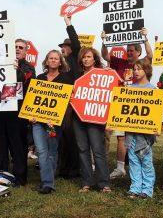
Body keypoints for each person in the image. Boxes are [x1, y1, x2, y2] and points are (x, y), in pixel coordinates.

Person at [101, 28, 153, 180]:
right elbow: (105, 55)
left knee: (139, 138)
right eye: (128, 50)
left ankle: (141, 168)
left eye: (131, 51)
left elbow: (150, 55)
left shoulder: (141, 64)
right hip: (121, 104)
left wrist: (145, 37)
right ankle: (120, 168)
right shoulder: (119, 62)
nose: (129, 53)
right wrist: (104, 41)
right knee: (121, 137)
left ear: (138, 52)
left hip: (137, 104)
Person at [0, 39, 36, 185]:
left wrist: (16, 69)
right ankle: (1, 176)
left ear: (25, 51)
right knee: (0, 146)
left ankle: (20, 178)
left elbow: (22, 81)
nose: (17, 49)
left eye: (20, 47)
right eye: (14, 47)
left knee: (18, 146)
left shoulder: (28, 67)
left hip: (17, 113)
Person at [31, 50, 74, 194]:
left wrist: (69, 102)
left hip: (54, 124)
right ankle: (47, 183)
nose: (54, 60)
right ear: (47, 61)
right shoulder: (39, 78)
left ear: (60, 62)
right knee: (42, 151)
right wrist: (31, 115)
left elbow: (69, 101)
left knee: (52, 151)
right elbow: (32, 99)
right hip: (38, 122)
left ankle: (49, 177)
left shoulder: (66, 79)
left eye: (56, 58)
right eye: (51, 58)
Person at [72, 47, 111, 193]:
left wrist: (109, 74)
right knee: (82, 149)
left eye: (89, 56)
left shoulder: (105, 74)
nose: (86, 59)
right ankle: (86, 182)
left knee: (98, 150)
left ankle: (104, 183)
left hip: (95, 116)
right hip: (78, 117)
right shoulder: (77, 76)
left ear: (95, 59)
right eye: (84, 57)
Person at [125, 59, 158, 198]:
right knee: (133, 160)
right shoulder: (129, 88)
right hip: (131, 133)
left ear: (146, 70)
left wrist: (156, 128)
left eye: (139, 69)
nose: (136, 72)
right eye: (135, 69)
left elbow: (156, 112)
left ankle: (147, 189)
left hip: (145, 135)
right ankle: (135, 187)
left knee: (146, 161)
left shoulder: (153, 89)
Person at [57, 15, 81, 179]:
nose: (62, 49)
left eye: (65, 46)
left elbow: (76, 41)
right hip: (60, 102)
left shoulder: (74, 58)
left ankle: (74, 168)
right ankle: (63, 167)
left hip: (73, 102)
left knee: (71, 135)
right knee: (62, 137)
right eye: (62, 47)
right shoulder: (60, 63)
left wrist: (68, 24)